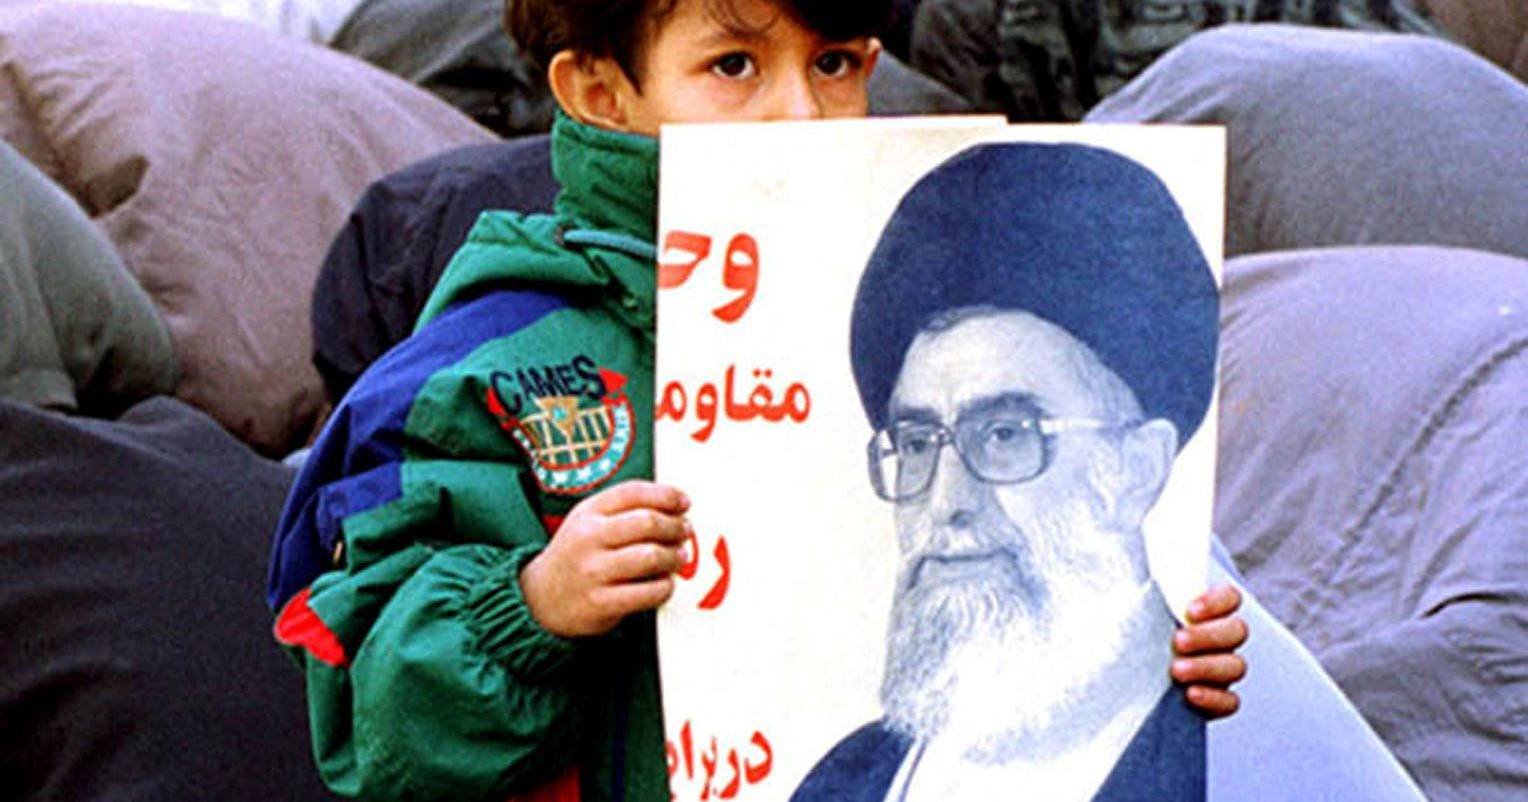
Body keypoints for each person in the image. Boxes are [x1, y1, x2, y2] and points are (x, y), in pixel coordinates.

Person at [265, 3, 1246, 801]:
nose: (800, 116)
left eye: (834, 64)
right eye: (733, 66)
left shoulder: (919, 305)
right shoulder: (492, 367)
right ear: (601, 91)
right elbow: (366, 731)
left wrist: (1152, 651)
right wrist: (535, 606)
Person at [795, 142, 1220, 802]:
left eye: (1004, 435)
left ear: (1136, 470)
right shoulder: (851, 780)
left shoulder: (1230, 760)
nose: (947, 500)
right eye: (918, 443)